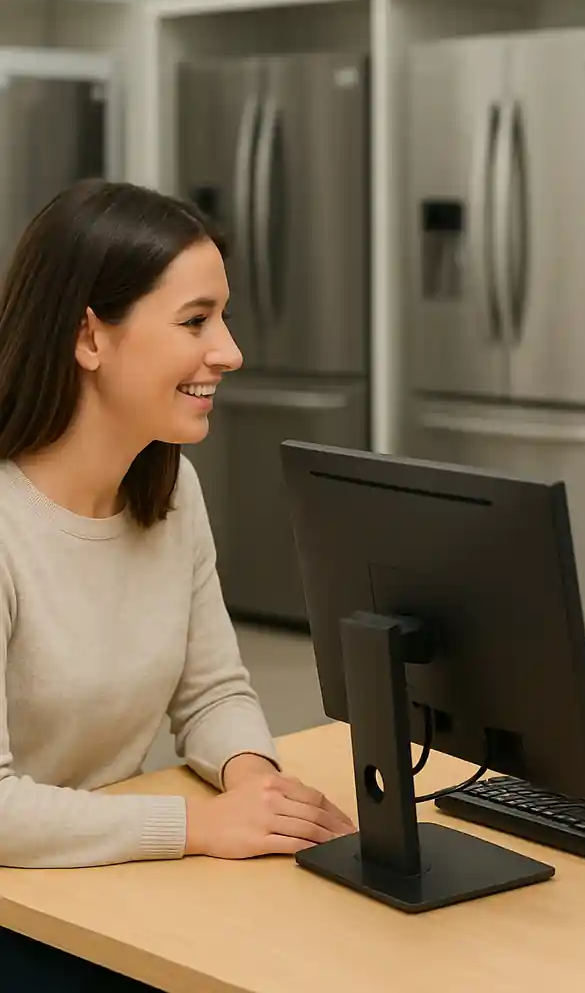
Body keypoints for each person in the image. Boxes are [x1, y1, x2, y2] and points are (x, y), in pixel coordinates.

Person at [0, 179, 355, 987]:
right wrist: (198, 824)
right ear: (90, 337)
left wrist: (256, 784)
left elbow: (210, 692)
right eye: (196, 321)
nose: (229, 351)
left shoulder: (168, 489)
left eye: (223, 318)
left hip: (104, 890)